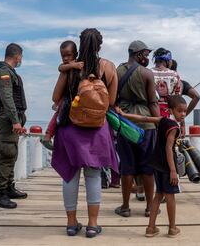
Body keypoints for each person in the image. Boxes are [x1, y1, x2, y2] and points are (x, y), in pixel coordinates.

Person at [51, 28, 119, 238]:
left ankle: (71, 224)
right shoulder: (108, 67)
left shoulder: (71, 67)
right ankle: (92, 224)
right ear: (100, 45)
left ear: (79, 45)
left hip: (70, 128)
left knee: (70, 176)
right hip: (97, 129)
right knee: (93, 175)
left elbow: (56, 97)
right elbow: (112, 101)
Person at [115, 95, 187, 238]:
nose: (183, 114)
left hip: (156, 165)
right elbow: (168, 148)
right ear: (171, 110)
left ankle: (151, 227)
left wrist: (124, 114)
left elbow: (144, 119)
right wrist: (173, 170)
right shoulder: (173, 127)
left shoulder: (162, 120)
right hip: (167, 167)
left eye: (185, 111)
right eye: (180, 111)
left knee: (158, 195)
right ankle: (172, 228)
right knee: (170, 197)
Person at [115, 40, 160, 218]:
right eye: (146, 55)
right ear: (139, 54)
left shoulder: (116, 72)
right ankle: (150, 207)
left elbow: (112, 99)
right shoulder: (147, 74)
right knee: (147, 168)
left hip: (125, 123)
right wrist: (159, 124)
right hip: (146, 125)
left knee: (127, 167)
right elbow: (152, 102)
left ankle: (125, 207)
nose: (147, 58)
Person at [0, 43, 28, 209]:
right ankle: (0, 194)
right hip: (8, 119)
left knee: (12, 153)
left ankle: (9, 187)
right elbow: (7, 98)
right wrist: (15, 120)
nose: (21, 59)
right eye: (21, 57)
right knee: (7, 154)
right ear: (17, 56)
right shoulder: (4, 73)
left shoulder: (10, 73)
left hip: (12, 118)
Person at [42, 41, 83, 144]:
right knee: (58, 112)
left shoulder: (79, 64)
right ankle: (48, 135)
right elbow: (60, 68)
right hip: (66, 98)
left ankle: (48, 135)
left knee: (58, 109)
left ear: (76, 54)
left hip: (73, 98)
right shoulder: (67, 66)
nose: (65, 58)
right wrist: (73, 65)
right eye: (63, 56)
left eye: (68, 55)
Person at [169, 59, 200, 136]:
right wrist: (182, 117)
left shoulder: (159, 84)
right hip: (175, 124)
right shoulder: (181, 84)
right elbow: (196, 96)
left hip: (161, 121)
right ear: (176, 70)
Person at [151, 48, 182, 118]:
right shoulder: (174, 75)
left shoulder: (148, 73)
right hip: (168, 114)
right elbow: (177, 97)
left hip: (150, 113)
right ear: (167, 60)